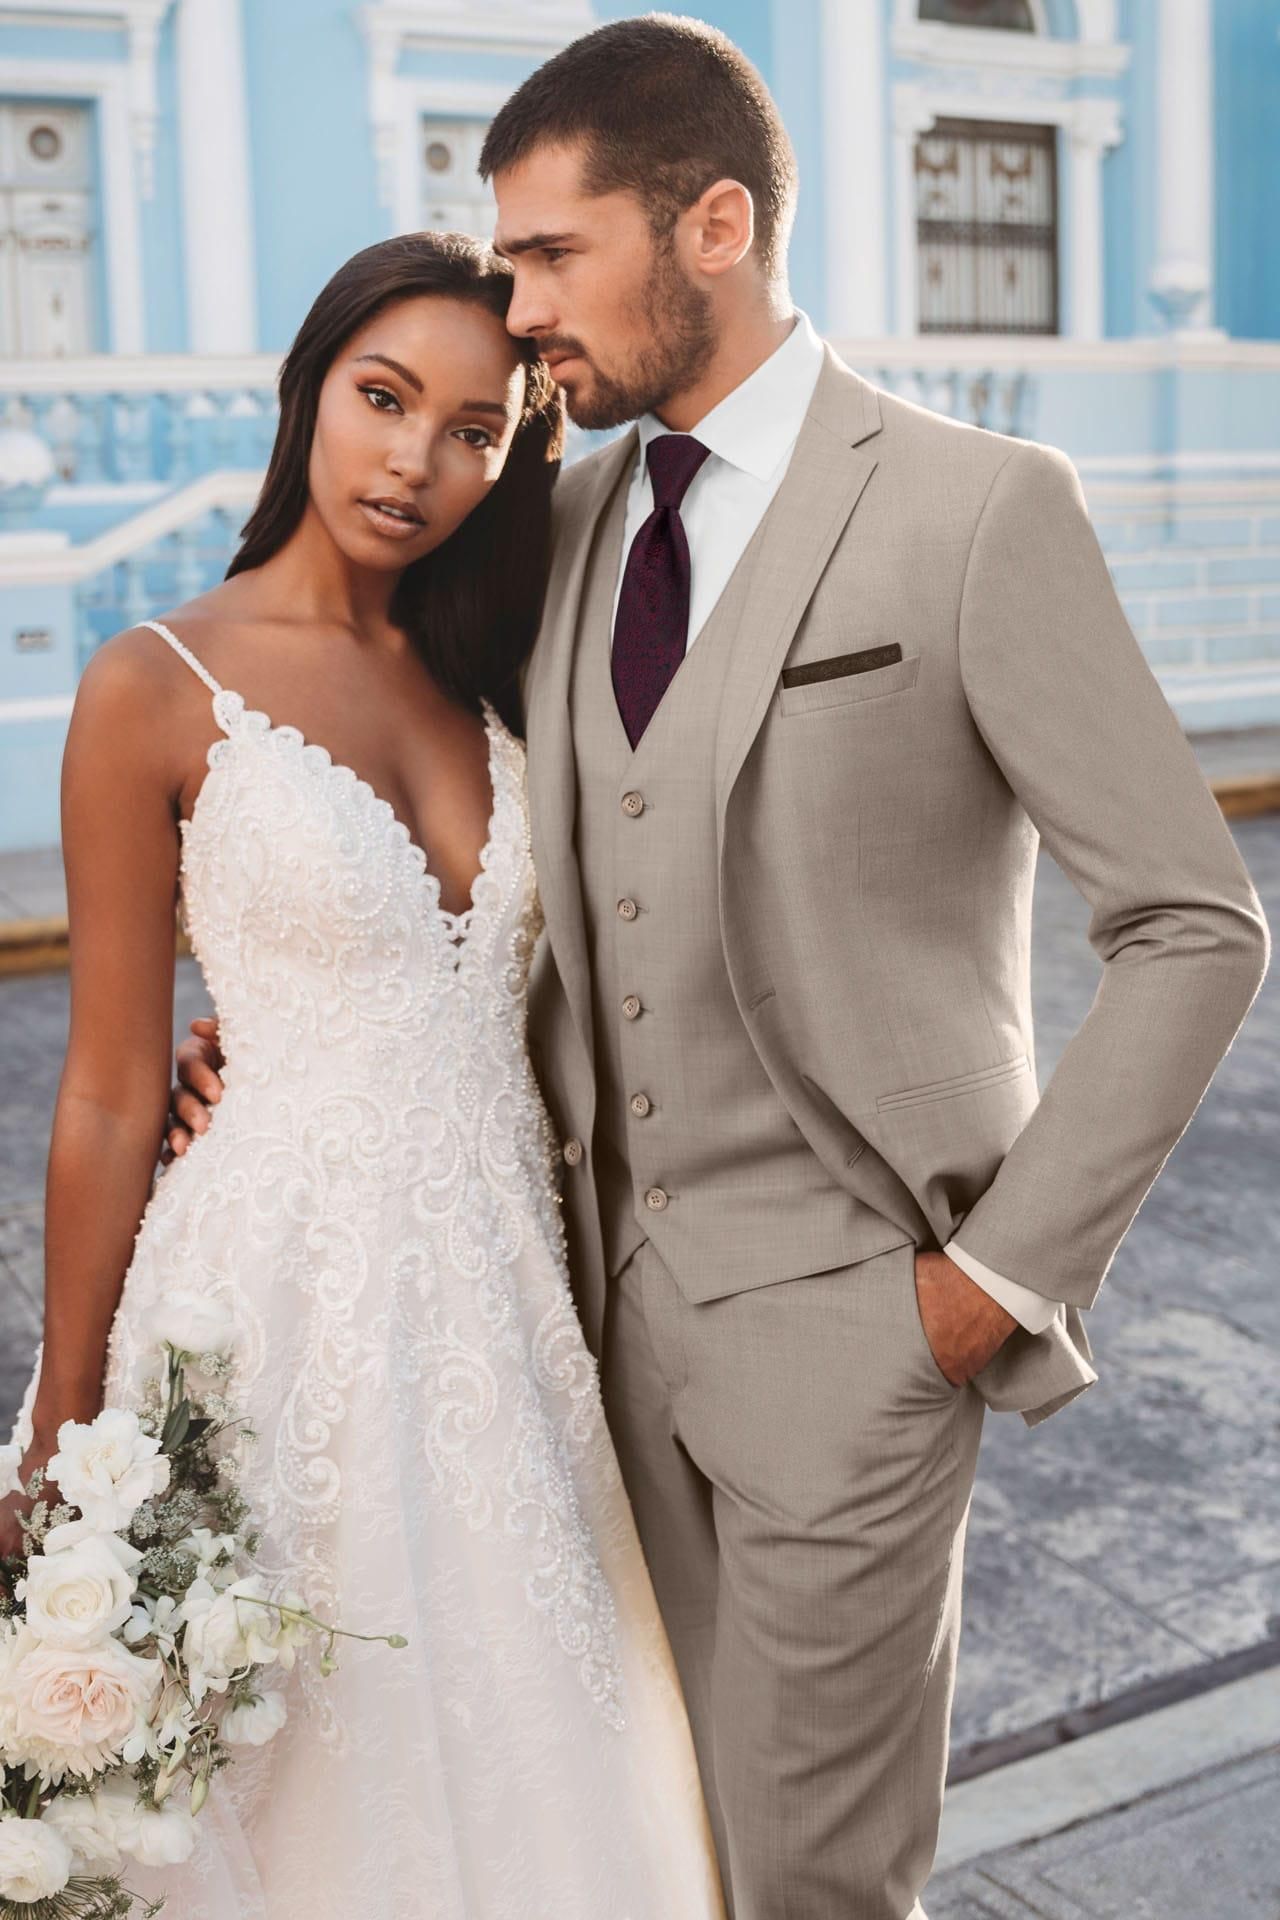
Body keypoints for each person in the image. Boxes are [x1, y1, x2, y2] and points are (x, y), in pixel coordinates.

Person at [169, 17, 1269, 1920]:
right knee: (650, 1862)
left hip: (857, 1338)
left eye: (547, 258)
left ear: (714, 226)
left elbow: (1192, 920)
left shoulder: (973, 511)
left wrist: (987, 1284)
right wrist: (284, 1025)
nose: (514, 317)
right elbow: (483, 862)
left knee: (814, 1887)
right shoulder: (568, 518)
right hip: (579, 1350)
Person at [1, 231, 727, 1920]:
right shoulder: (149, 688)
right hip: (268, 1312)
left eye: (476, 429)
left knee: (545, 1745)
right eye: (382, 398)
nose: (417, 460)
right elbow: (108, 1090)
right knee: (290, 1765)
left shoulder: (502, 681)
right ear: (306, 391)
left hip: (506, 1315)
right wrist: (57, 1423)